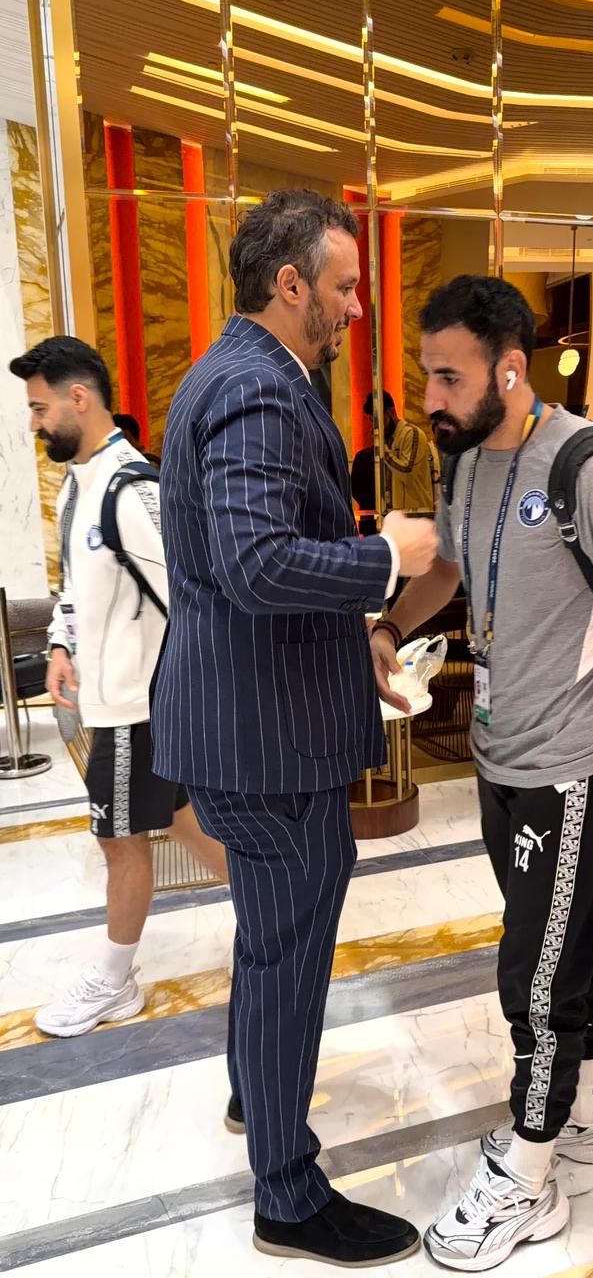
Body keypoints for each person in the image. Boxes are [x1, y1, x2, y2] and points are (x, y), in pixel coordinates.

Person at [370, 275, 593, 1272]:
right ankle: (586, 1108)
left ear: (510, 369)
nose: (429, 397)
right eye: (427, 373)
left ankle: (530, 1172)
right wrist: (388, 623)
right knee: (561, 941)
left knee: (537, 967)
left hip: (572, 764)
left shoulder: (587, 470)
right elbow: (450, 567)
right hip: (499, 755)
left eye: (449, 376)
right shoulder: (465, 460)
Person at [151, 189, 437, 1267]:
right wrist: (388, 557)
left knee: (268, 937)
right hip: (267, 741)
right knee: (290, 951)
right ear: (290, 283)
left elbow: (250, 565)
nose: (358, 305)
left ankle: (250, 1090)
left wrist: (353, 631)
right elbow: (257, 562)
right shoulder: (260, 391)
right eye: (346, 285)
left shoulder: (229, 374)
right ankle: (287, 1191)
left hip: (247, 719)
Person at [9, 337, 228, 1038]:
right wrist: (62, 643)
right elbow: (78, 585)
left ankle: (113, 982)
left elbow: (190, 594)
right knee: (184, 821)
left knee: (120, 840)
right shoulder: (81, 485)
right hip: (117, 702)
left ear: (79, 398)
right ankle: (277, 909)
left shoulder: (134, 490)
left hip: (139, 708)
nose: (35, 423)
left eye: (40, 408)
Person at [363, 389, 436, 512]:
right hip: (395, 514)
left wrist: (382, 449)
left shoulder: (412, 434)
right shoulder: (387, 440)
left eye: (380, 421)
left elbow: (407, 473)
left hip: (415, 514)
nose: (377, 427)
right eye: (372, 422)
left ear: (391, 412)